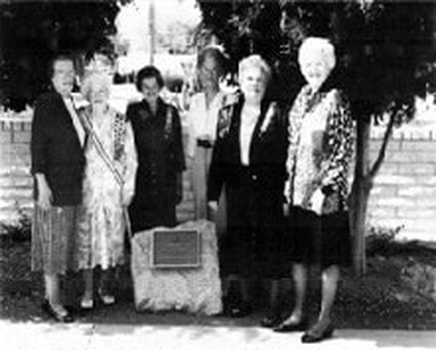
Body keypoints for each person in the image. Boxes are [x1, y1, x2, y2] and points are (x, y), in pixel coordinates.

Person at [275, 37, 354, 343]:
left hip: (325, 196)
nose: (313, 70)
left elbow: (344, 149)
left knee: (327, 258)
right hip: (298, 193)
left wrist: (328, 186)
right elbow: (293, 147)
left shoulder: (337, 99)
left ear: (329, 66)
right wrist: (287, 185)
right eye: (308, 65)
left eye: (318, 65)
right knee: (299, 255)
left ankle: (324, 319)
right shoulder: (300, 99)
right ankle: (298, 313)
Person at [207, 55, 288, 320]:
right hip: (237, 187)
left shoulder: (276, 112)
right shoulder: (227, 114)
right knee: (240, 243)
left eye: (259, 79)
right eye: (249, 78)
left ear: (266, 84)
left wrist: (286, 192)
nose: (254, 84)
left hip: (268, 189)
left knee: (271, 244)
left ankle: (275, 305)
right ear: (240, 81)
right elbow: (219, 156)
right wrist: (212, 195)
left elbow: (286, 155)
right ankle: (243, 300)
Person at [31, 54, 86, 322]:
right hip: (53, 189)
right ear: (52, 78)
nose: (67, 76)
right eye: (61, 72)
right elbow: (37, 145)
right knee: (53, 247)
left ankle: (53, 298)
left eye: (70, 72)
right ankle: (54, 304)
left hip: (72, 188)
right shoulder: (46, 103)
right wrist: (41, 184)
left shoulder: (71, 103)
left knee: (63, 247)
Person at [75, 72, 137, 309]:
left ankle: (106, 287)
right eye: (93, 91)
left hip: (112, 190)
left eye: (102, 91)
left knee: (112, 240)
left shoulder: (121, 122)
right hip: (87, 189)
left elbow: (131, 158)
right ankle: (88, 291)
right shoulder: (80, 119)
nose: (98, 95)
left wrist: (128, 189)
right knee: (86, 241)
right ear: (87, 94)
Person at [127, 66, 186, 232]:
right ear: (140, 88)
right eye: (146, 87)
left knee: (164, 231)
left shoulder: (171, 112)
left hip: (165, 181)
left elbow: (178, 150)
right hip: (141, 180)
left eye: (154, 86)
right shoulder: (133, 111)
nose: (150, 91)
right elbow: (126, 146)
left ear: (160, 86)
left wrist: (178, 185)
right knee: (140, 230)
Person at [187, 46, 228, 220]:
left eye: (214, 70)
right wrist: (191, 160)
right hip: (198, 155)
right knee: (200, 205)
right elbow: (191, 133)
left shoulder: (228, 100)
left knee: (219, 205)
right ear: (199, 71)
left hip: (218, 156)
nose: (209, 75)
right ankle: (203, 244)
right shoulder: (195, 101)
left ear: (220, 72)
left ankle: (220, 244)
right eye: (205, 69)